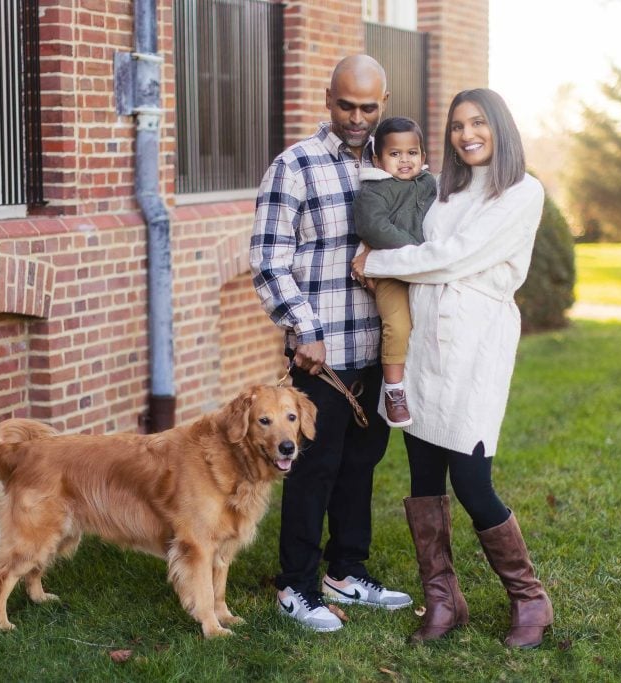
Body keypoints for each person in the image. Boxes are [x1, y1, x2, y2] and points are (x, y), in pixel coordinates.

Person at [351, 88, 554, 648]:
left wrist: (379, 262)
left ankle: (530, 599)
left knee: (471, 479)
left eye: (478, 123)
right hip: (424, 350)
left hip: (474, 348)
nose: (467, 135)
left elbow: (453, 256)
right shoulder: (444, 192)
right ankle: (442, 601)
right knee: (422, 478)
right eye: (458, 126)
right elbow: (425, 247)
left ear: (500, 127)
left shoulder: (521, 192)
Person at [249, 55, 413, 633]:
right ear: (327, 99)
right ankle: (295, 586)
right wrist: (304, 330)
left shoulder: (392, 166)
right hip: (321, 356)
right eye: (347, 105)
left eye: (369, 107)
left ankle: (346, 571)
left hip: (376, 351)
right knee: (312, 470)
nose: (358, 118)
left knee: (360, 467)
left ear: (383, 103)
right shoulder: (295, 166)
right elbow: (269, 262)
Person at [352, 116, 436, 428]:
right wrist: (416, 254)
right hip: (390, 277)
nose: (405, 160)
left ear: (423, 157)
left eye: (412, 153)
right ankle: (394, 390)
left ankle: (427, 385)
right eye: (395, 154)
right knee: (397, 325)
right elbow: (375, 227)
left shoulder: (430, 186)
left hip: (426, 272)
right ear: (377, 159)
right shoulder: (374, 191)